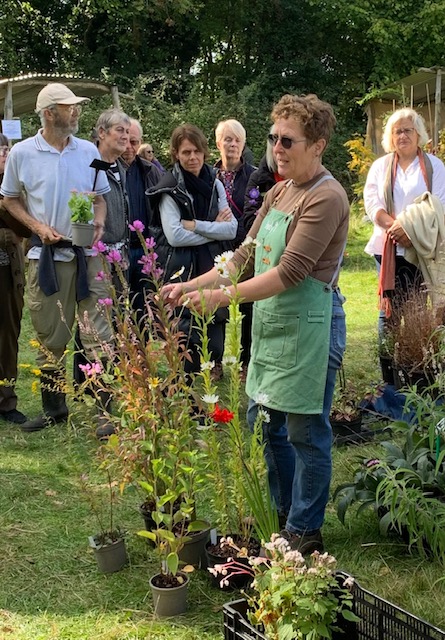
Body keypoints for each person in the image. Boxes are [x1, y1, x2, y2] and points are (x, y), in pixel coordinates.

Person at [163, 95, 349, 553]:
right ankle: (282, 514)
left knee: (306, 430)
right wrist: (190, 287)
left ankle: (306, 529)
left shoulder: (326, 196)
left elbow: (289, 272)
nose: (277, 148)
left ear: (318, 144)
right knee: (265, 422)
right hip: (274, 321)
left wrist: (221, 297)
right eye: (273, 138)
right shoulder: (279, 191)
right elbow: (240, 257)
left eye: (288, 140)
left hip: (311, 323)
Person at [0, 82, 113, 434]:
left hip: (88, 256)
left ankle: (104, 413)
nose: (76, 111)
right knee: (51, 334)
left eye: (76, 106)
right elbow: (8, 200)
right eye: (69, 107)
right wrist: (36, 225)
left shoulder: (87, 151)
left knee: (99, 333)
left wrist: (98, 220)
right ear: (49, 113)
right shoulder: (21, 154)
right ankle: (54, 409)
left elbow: (100, 197)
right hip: (46, 255)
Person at [148, 123, 237, 375]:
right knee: (184, 334)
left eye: (197, 151)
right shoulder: (168, 188)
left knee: (215, 327)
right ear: (176, 153)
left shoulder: (215, 182)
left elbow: (231, 229)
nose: (192, 157)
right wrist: (212, 231)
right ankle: (183, 390)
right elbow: (175, 236)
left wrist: (195, 225)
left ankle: (210, 378)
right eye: (186, 152)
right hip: (181, 267)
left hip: (212, 266)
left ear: (205, 152)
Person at [363, 108, 445, 363]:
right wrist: (395, 228)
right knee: (388, 314)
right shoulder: (381, 166)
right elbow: (372, 203)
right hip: (386, 249)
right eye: (397, 131)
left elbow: (439, 204)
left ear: (418, 134)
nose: (402, 136)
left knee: (416, 310)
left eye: (408, 130)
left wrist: (409, 231)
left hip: (421, 249)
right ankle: (388, 378)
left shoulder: (434, 166)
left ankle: (415, 372)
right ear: (390, 136)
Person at [72, 108, 131, 437]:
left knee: (115, 329)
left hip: (118, 256)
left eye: (127, 132)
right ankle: (102, 411)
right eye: (118, 131)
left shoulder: (119, 167)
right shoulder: (91, 165)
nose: (124, 137)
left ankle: (110, 394)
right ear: (101, 133)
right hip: (94, 256)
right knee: (97, 333)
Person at [214, 119, 256, 379]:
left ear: (243, 144)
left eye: (236, 140)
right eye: (226, 139)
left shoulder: (254, 175)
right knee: (217, 308)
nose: (231, 144)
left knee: (248, 307)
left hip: (247, 249)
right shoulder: (209, 176)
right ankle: (216, 361)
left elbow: (258, 212)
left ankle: (246, 361)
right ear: (218, 143)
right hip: (217, 249)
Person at [0, 134, 31, 424]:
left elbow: (26, 228)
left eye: (7, 150)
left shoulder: (13, 189)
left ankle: (6, 400)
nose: (4, 155)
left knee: (8, 334)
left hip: (9, 272)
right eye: (1, 151)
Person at [120, 118, 162, 317]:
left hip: (144, 250)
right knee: (114, 310)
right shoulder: (106, 169)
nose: (129, 147)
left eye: (134, 142)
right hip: (117, 251)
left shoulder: (150, 170)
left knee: (144, 312)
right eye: (125, 140)